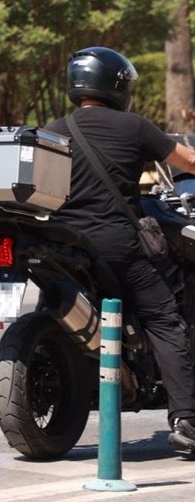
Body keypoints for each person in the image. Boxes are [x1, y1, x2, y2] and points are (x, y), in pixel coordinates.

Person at [43, 46, 195, 453]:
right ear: (118, 85)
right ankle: (186, 420)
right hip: (117, 245)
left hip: (63, 245)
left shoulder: (53, 129)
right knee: (165, 318)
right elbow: (188, 162)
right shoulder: (134, 128)